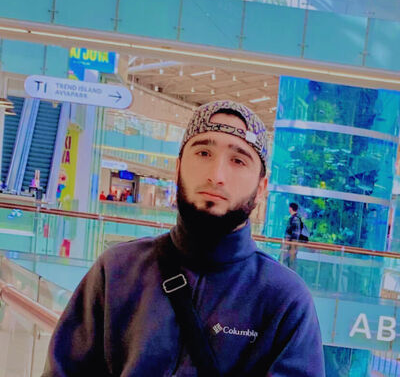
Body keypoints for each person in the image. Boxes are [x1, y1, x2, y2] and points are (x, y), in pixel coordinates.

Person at [42, 100, 325, 377]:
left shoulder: (284, 300)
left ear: (261, 187)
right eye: (203, 153)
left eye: (238, 160)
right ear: (177, 168)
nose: (216, 175)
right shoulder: (117, 270)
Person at [283, 202, 302, 270]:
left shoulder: (295, 219)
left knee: (289, 264)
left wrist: (292, 247)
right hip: (289, 246)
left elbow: (295, 234)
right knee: (286, 263)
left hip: (290, 246)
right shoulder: (293, 218)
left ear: (291, 208)